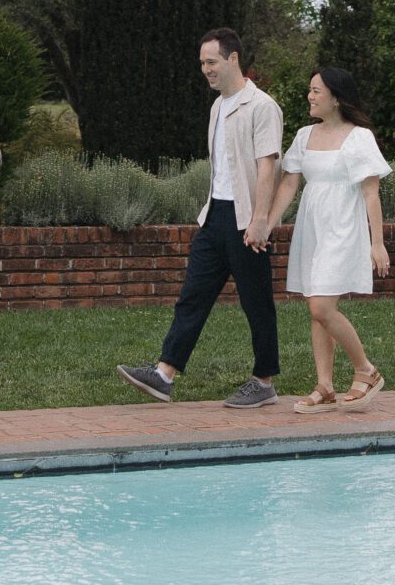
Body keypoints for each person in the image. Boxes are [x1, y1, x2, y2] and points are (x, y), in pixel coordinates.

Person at [117, 28, 286, 407]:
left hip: (246, 219)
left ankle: (263, 381)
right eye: (202, 64)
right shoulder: (217, 106)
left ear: (233, 59)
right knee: (192, 295)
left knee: (256, 301)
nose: (205, 70)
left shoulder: (262, 107)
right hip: (214, 215)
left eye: (211, 62)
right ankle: (164, 374)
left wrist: (260, 220)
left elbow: (267, 167)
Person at [263, 65, 391, 413]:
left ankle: (366, 371)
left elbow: (370, 194)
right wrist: (267, 223)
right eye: (310, 90)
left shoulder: (359, 137)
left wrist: (376, 243)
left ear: (336, 98)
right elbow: (289, 183)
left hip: (343, 227)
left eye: (316, 91)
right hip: (313, 227)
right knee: (317, 309)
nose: (310, 96)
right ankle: (325, 386)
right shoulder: (305, 135)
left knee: (321, 305)